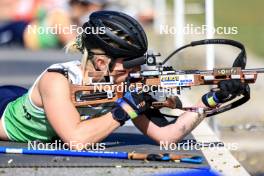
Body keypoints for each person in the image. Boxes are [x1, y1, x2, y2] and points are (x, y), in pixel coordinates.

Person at [0, 11, 244, 150]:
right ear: (100, 62)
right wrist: (125, 110)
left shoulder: (126, 83)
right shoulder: (57, 80)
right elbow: (77, 140)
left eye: (139, 63)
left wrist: (211, 100)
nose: (137, 70)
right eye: (129, 65)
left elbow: (166, 136)